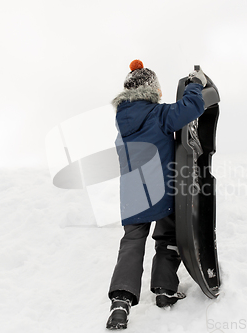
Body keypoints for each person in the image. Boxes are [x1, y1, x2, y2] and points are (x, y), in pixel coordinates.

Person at [106, 59, 207, 330]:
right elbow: (192, 107)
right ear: (152, 89)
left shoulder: (122, 121)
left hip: (132, 197)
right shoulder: (158, 114)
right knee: (168, 236)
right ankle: (164, 290)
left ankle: (120, 302)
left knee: (132, 243)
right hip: (162, 193)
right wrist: (195, 85)